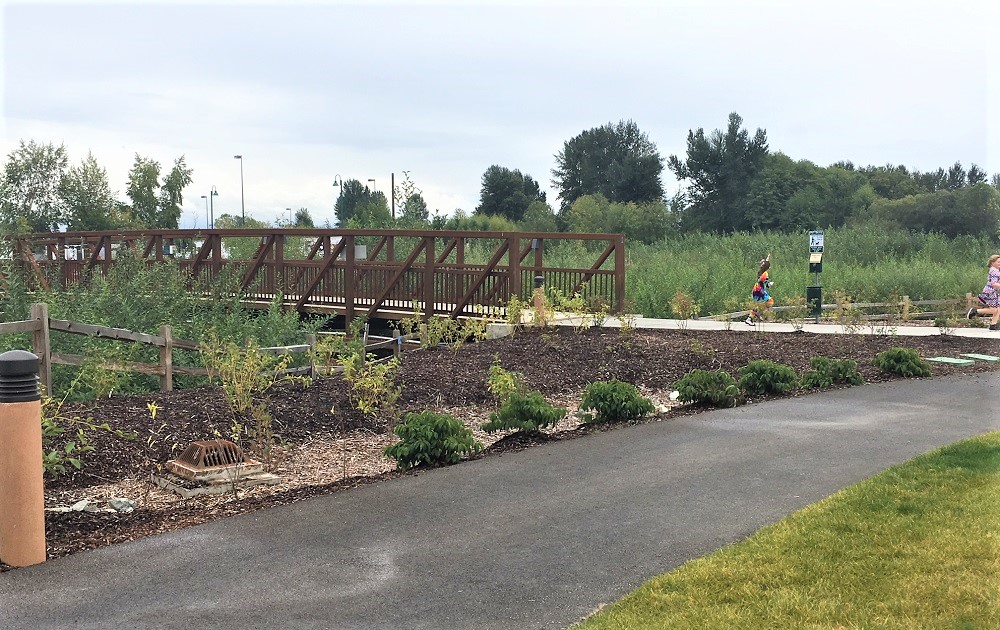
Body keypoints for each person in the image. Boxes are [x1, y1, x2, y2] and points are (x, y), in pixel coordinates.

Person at [967, 254, 1000, 330]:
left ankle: (993, 325)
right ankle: (975, 311)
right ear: (992, 263)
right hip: (991, 292)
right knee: (995, 310)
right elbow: (994, 284)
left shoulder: (994, 270)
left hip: (993, 292)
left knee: (998, 309)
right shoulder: (995, 271)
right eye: (998, 262)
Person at [746, 254, 774, 326]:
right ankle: (757, 313)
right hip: (759, 290)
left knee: (757, 305)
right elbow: (764, 282)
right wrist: (769, 284)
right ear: (767, 267)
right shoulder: (765, 274)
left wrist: (767, 259)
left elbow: (765, 265)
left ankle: (750, 318)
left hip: (756, 289)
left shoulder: (760, 271)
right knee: (770, 301)